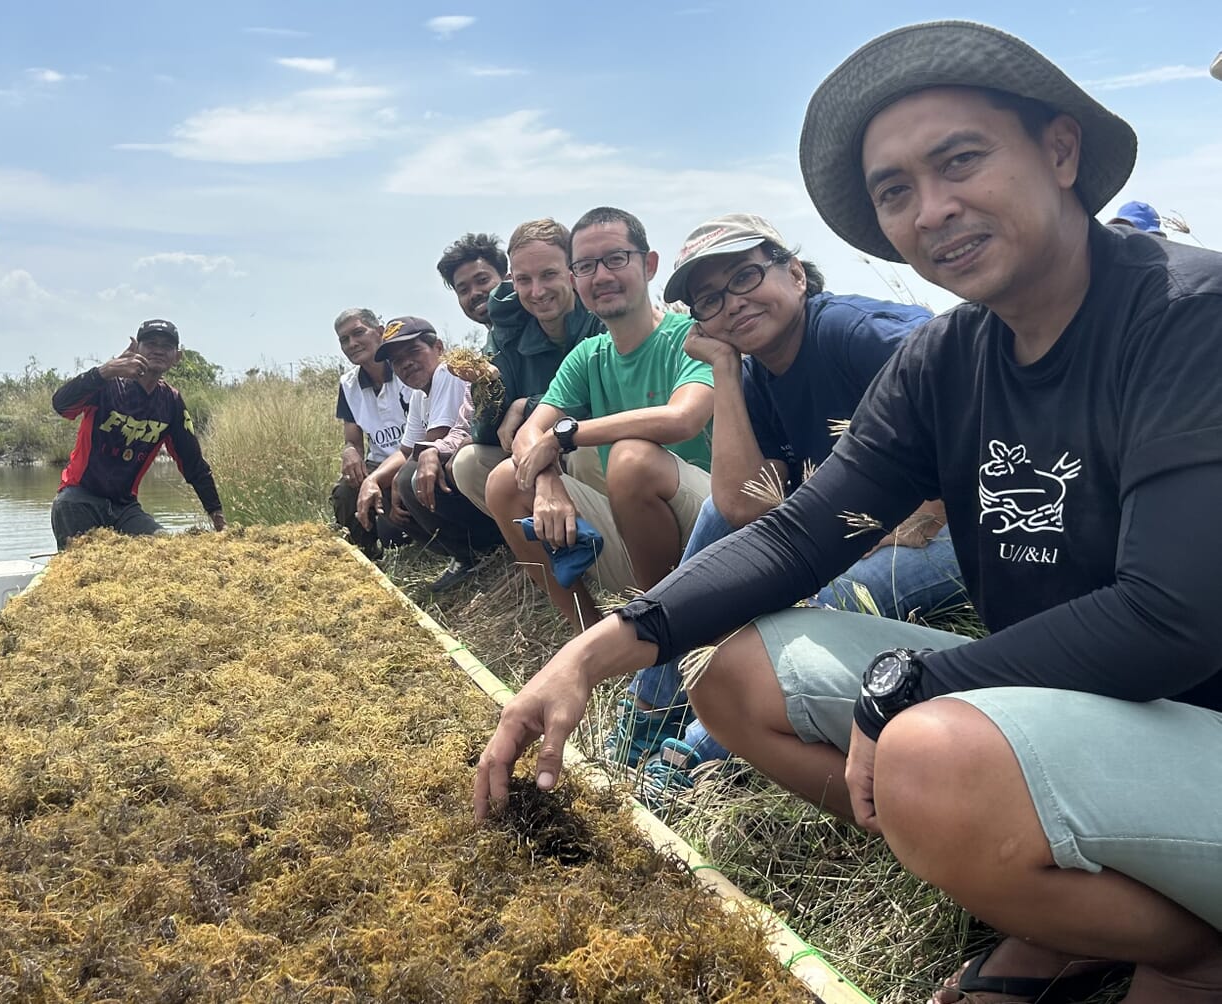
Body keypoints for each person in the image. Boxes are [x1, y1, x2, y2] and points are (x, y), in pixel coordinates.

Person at [476, 20, 1222, 1004]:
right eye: (894, 191)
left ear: (1058, 150)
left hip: (1194, 716)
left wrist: (914, 683)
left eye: (959, 159)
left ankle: (1189, 954)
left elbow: (1171, 617)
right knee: (734, 675)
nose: (933, 209)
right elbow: (791, 532)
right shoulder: (947, 360)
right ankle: (1056, 914)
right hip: (1074, 714)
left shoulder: (1183, 313)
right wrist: (587, 655)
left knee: (922, 743)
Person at [615, 213, 965, 803]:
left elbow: (974, 386)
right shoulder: (755, 371)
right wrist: (724, 371)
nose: (733, 304)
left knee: (824, 599)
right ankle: (652, 704)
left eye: (747, 276)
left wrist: (916, 513)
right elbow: (738, 504)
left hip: (953, 532)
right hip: (861, 529)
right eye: (709, 299)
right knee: (715, 524)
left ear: (796, 274)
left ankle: (694, 751)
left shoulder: (851, 332)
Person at [485, 207, 715, 629]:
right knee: (503, 481)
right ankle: (594, 635)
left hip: (715, 529)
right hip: (641, 533)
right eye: (586, 266)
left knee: (631, 460)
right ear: (576, 280)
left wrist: (562, 437)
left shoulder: (692, 336)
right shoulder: (588, 357)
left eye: (616, 259)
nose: (602, 276)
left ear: (649, 265)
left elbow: (684, 419)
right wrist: (547, 480)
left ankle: (661, 633)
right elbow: (527, 435)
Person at [449, 218, 605, 517]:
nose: (537, 291)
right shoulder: (507, 331)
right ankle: (547, 544)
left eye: (549, 275)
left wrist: (526, 407)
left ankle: (618, 543)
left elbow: (607, 401)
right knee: (467, 463)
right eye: (524, 280)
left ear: (572, 272)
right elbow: (488, 436)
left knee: (585, 456)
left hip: (588, 446)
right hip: (533, 451)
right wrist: (488, 386)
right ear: (512, 280)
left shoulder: (599, 317)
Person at [356, 316, 503, 592]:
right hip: (458, 466)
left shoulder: (447, 372)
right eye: (398, 361)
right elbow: (406, 450)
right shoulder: (418, 396)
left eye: (413, 351)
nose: (406, 363)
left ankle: (478, 552)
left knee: (410, 477)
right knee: (389, 507)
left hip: (477, 467)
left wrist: (400, 477)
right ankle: (463, 551)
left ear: (438, 347)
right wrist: (372, 480)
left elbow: (436, 440)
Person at [50, 319, 225, 550]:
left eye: (166, 346)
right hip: (80, 499)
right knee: (88, 570)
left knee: (166, 550)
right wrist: (105, 371)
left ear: (177, 357)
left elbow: (193, 464)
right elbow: (61, 405)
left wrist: (218, 519)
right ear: (136, 349)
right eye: (151, 343)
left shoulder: (170, 402)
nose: (158, 350)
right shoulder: (108, 386)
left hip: (125, 507)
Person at [330, 308, 412, 558]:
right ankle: (366, 554)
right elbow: (352, 440)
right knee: (344, 492)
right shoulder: (349, 385)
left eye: (358, 333)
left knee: (392, 536)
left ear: (379, 332)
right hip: (377, 462)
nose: (352, 343)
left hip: (412, 455)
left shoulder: (405, 368)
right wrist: (349, 452)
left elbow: (424, 437)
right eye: (344, 339)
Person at [436, 233, 507, 339]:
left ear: (508, 278)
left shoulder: (538, 324)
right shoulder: (491, 352)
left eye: (482, 280)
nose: (474, 293)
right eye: (464, 290)